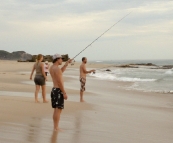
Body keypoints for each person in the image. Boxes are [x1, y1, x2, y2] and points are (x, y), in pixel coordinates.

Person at [49, 53, 72, 131]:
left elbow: (60, 73)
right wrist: (64, 93)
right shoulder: (57, 69)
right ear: (57, 59)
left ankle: (55, 126)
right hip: (58, 90)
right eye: (61, 59)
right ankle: (56, 127)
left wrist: (66, 64)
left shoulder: (52, 67)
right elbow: (59, 82)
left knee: (56, 109)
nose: (62, 60)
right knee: (58, 110)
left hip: (54, 90)